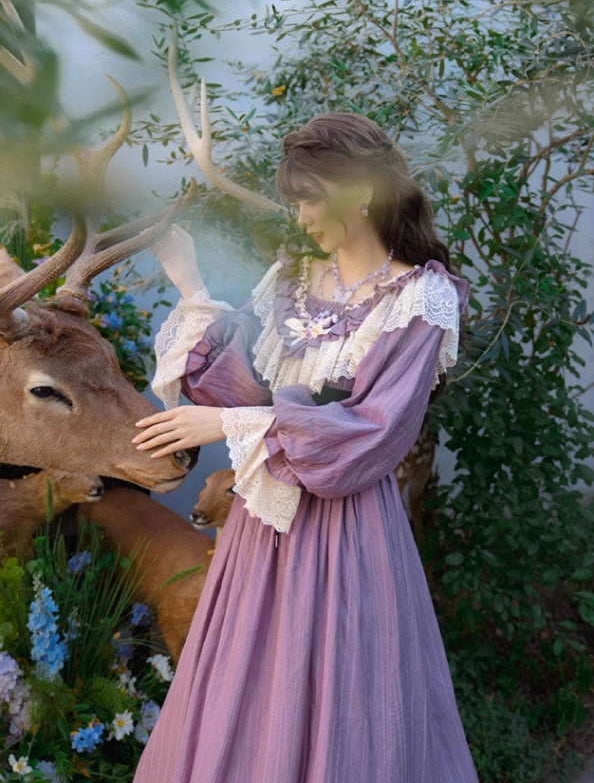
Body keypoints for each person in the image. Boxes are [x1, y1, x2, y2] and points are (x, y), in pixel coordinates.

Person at [131, 113, 479, 783]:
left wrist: (233, 426)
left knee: (347, 706)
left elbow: (370, 434)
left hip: (349, 538)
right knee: (248, 694)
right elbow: (242, 388)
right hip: (262, 537)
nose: (300, 217)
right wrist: (191, 286)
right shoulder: (292, 281)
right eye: (294, 202)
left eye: (309, 199)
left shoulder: (421, 299)